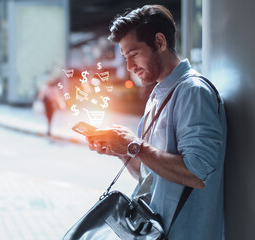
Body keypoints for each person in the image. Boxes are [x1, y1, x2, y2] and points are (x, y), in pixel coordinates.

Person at [85, 5, 226, 240]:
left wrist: (134, 145)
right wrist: (121, 151)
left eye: (134, 54)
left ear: (160, 42)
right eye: (125, 57)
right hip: (152, 232)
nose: (129, 66)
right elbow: (149, 174)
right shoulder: (157, 95)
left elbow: (198, 173)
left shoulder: (193, 91)